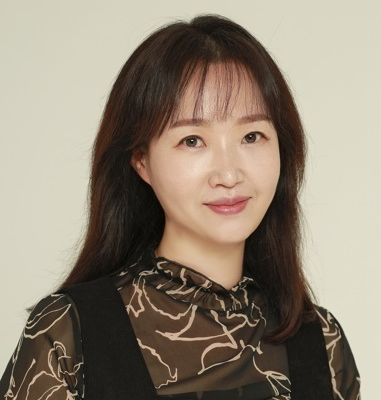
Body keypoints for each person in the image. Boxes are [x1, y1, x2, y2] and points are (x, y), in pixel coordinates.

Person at [0, 14, 360, 400]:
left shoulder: (322, 342)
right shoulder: (68, 336)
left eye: (252, 136)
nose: (228, 174)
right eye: (192, 140)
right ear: (141, 161)